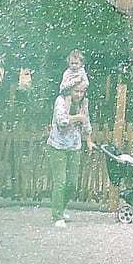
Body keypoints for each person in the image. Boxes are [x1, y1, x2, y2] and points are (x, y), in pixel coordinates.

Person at [48, 55, 93, 227]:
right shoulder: (61, 101)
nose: (79, 95)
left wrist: (89, 140)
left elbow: (86, 121)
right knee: (60, 182)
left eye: (82, 92)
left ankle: (62, 207)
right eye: (76, 91)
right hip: (57, 146)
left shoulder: (84, 102)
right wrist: (78, 118)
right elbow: (62, 121)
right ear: (70, 90)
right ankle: (57, 215)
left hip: (74, 146)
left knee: (72, 183)